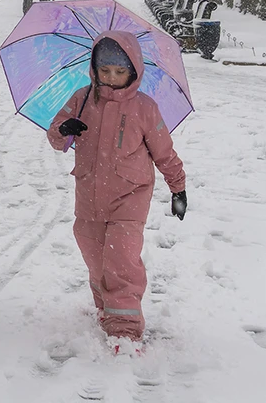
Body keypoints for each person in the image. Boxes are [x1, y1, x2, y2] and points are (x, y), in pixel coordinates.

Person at [47, 32, 186, 349]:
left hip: (130, 196)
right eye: (104, 71)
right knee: (95, 257)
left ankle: (125, 329)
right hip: (89, 195)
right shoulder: (82, 99)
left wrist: (178, 187)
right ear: (94, 68)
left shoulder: (145, 108)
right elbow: (56, 137)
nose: (111, 78)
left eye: (119, 72)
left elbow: (164, 152)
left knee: (121, 259)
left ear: (133, 71)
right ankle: (106, 306)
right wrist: (64, 130)